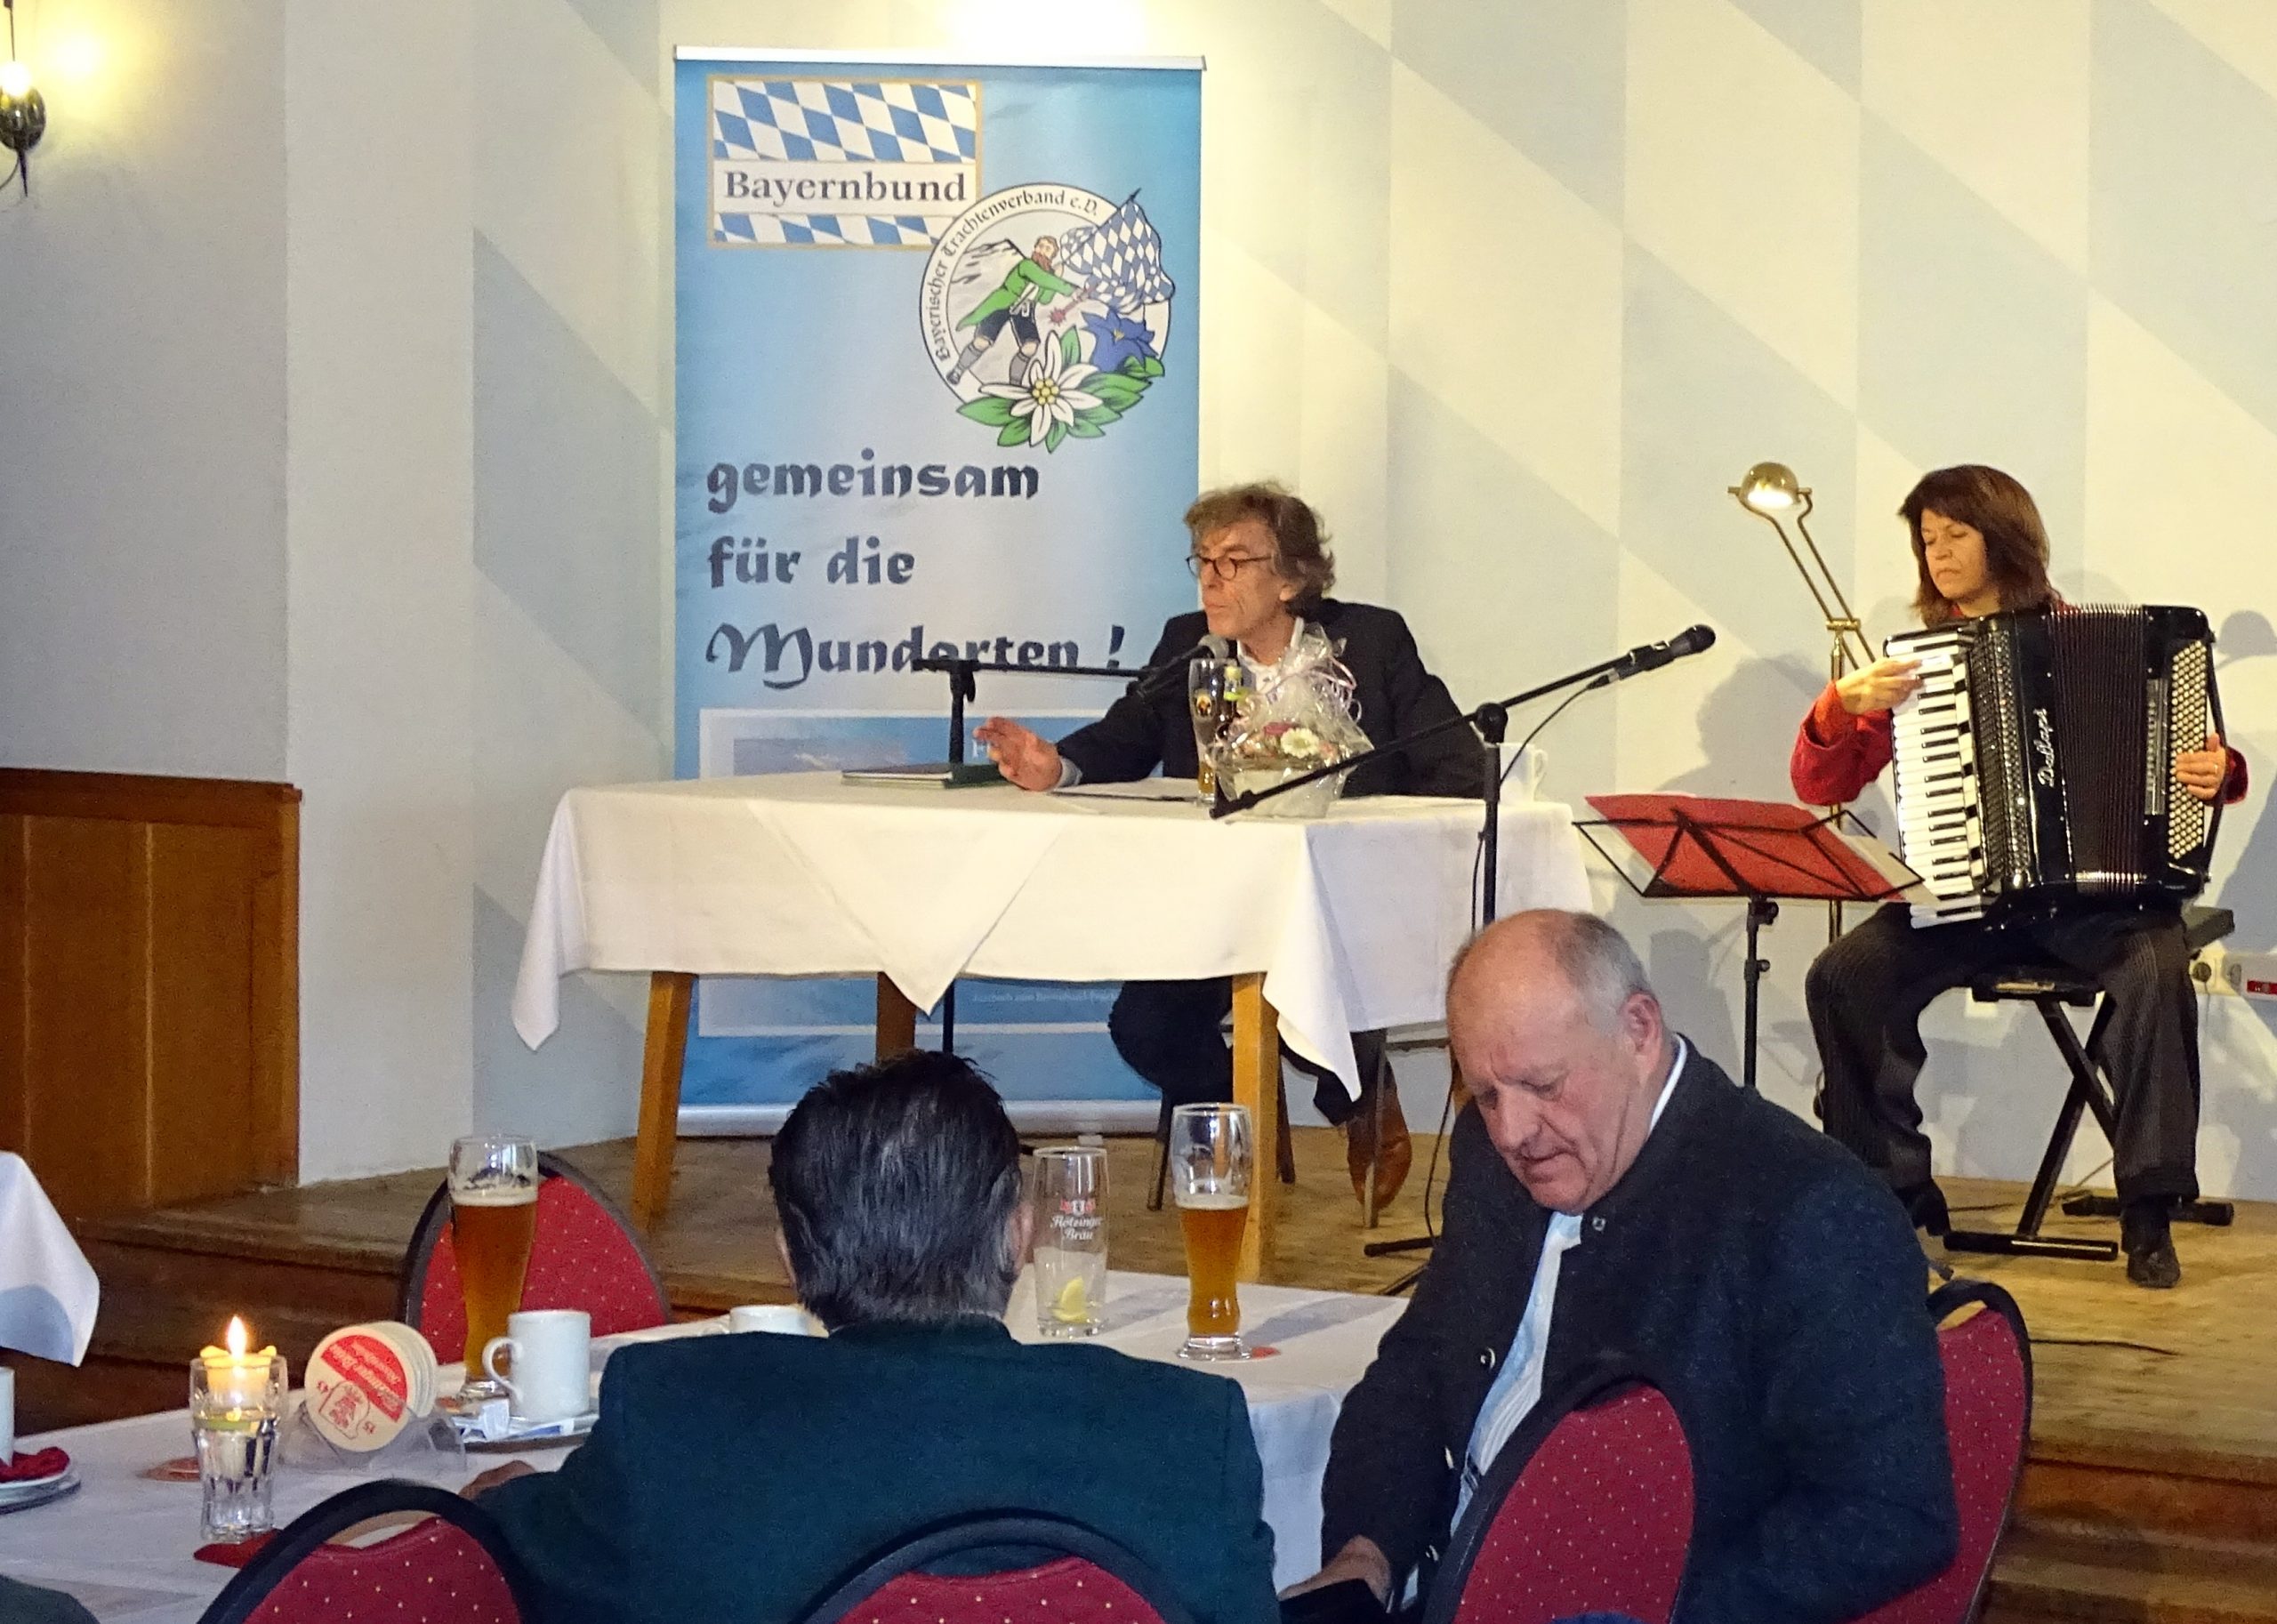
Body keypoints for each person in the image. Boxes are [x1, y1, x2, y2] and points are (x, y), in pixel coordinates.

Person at [1297, 910, 1956, 1624]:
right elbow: (1417, 1370)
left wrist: (1651, 1610)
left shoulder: (1808, 1211)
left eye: (1543, 1086)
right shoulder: (1491, 1156)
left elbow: (1888, 1514)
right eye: (1486, 1095)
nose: (1513, 1132)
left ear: (1638, 1032)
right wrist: (1367, 1554)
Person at [471, 1051, 1280, 1624]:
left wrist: (504, 1499)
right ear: (1020, 1236)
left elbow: (501, 1561)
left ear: (790, 1257)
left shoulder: (675, 1412)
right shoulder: (1187, 1428)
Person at [1794, 464, 2246, 1288]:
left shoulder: (2104, 639)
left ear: (2003, 537)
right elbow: (1821, 784)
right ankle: (1894, 1195)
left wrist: (2221, 771)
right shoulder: (1913, 669)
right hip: (1965, 899)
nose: (1937, 554)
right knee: (1841, 976)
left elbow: (2193, 760)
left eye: (1955, 535)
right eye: (1926, 540)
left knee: (2157, 968)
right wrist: (1838, 710)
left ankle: (2149, 1207)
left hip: (2092, 904)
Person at [978, 482, 1481, 1210]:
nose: (1212, 579)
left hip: (1337, 905)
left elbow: (1455, 764)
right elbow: (1125, 736)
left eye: (1234, 561)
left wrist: (1363, 825)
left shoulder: (1370, 642)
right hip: (1214, 905)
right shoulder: (1189, 644)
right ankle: (1233, 1125)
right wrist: (1056, 765)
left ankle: (1362, 1096)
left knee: (1299, 989)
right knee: (1145, 1027)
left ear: (1292, 578)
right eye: (1204, 560)